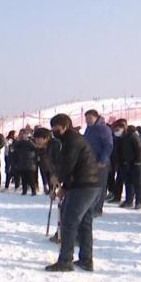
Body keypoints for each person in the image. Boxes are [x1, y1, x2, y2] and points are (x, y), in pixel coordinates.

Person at [46, 114, 101, 272]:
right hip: (88, 184)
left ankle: (65, 260)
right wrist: (65, 187)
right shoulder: (70, 140)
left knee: (69, 222)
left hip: (84, 186)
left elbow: (68, 165)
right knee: (85, 223)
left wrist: (58, 178)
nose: (54, 132)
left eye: (56, 128)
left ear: (65, 126)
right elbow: (74, 168)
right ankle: (86, 259)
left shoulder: (73, 141)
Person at [83, 109, 113, 216]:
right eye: (86, 119)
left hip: (101, 163)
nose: (87, 121)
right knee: (91, 185)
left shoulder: (104, 129)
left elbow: (108, 146)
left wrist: (102, 160)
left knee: (100, 186)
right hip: (89, 162)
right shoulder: (89, 129)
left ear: (96, 117)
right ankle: (90, 207)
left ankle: (97, 209)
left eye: (90, 118)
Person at [113, 121, 141, 209]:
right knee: (128, 182)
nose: (116, 131)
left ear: (123, 128)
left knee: (137, 183)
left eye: (118, 129)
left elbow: (139, 148)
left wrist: (138, 160)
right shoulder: (119, 137)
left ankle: (138, 201)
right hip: (124, 163)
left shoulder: (132, 135)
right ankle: (128, 200)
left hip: (135, 163)